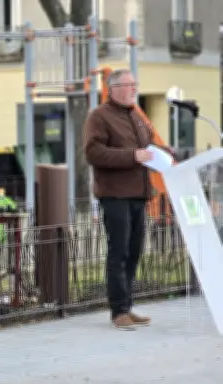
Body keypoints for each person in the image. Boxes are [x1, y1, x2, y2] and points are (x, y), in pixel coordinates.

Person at [84, 68, 160, 330]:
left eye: (134, 84)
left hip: (138, 194)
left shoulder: (136, 117)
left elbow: (148, 148)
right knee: (119, 252)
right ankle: (118, 311)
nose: (134, 89)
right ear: (113, 88)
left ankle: (127, 305)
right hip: (115, 194)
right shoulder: (100, 117)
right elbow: (94, 153)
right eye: (129, 85)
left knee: (134, 251)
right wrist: (132, 156)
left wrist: (166, 157)